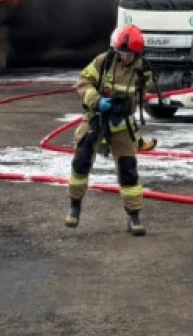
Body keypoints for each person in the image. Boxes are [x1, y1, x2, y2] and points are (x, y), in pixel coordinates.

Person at [66, 24, 154, 236]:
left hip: (122, 124)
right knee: (81, 161)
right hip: (96, 119)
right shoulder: (104, 61)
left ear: (137, 53)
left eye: (129, 55)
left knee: (128, 170)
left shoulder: (142, 69)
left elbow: (143, 91)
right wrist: (97, 100)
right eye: (122, 53)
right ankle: (74, 206)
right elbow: (83, 82)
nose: (125, 57)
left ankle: (134, 216)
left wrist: (127, 106)